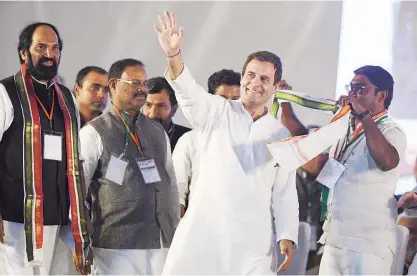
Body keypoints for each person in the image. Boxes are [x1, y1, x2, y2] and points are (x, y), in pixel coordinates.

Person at [154, 12, 298, 274]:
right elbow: (187, 91)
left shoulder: (280, 133)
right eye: (251, 75)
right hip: (204, 235)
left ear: (276, 87)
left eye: (264, 79)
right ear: (242, 78)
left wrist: (287, 233)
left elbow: (285, 189)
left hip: (252, 243)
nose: (255, 83)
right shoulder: (216, 111)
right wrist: (173, 56)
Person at [0, 22, 89, 274]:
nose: (49, 54)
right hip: (17, 219)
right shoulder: (5, 92)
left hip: (60, 218)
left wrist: (81, 213)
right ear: (24, 53)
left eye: (54, 48)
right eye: (41, 47)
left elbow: (76, 157)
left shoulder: (66, 96)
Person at [79, 58, 179, 275]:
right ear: (113, 85)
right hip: (115, 246)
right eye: (135, 82)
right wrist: (80, 239)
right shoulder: (93, 132)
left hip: (161, 242)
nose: (142, 89)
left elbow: (170, 186)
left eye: (144, 83)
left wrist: (176, 232)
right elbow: (77, 190)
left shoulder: (157, 132)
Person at [318, 65, 407, 275]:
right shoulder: (345, 131)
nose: (352, 94)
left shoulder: (391, 130)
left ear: (381, 95)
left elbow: (387, 161)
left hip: (367, 245)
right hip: (334, 238)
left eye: (360, 89)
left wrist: (365, 116)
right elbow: (324, 173)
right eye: (352, 88)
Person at [173, 68, 241, 217]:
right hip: (201, 225)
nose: (229, 105)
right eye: (222, 98)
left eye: (235, 99)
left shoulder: (253, 140)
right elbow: (177, 190)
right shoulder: (189, 140)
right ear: (210, 100)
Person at [295, 126, 328, 270]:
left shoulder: (328, 185)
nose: (322, 156)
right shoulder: (285, 179)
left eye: (326, 151)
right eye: (317, 151)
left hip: (317, 255)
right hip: (287, 249)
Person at [142, 77, 191, 150]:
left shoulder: (190, 139)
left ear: (173, 110)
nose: (153, 114)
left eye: (161, 106)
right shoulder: (127, 136)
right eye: (148, 105)